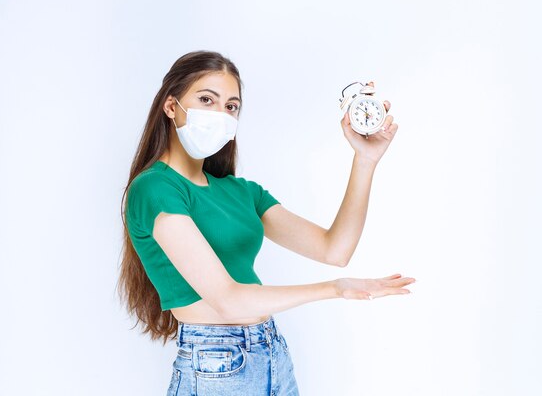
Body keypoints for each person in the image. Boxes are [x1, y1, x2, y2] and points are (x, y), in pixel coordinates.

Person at [117, 50, 415, 396]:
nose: (221, 113)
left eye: (231, 106)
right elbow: (228, 300)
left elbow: (335, 249)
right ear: (171, 107)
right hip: (216, 364)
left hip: (271, 353)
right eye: (206, 100)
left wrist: (365, 159)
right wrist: (334, 289)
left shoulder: (242, 192)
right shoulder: (155, 188)